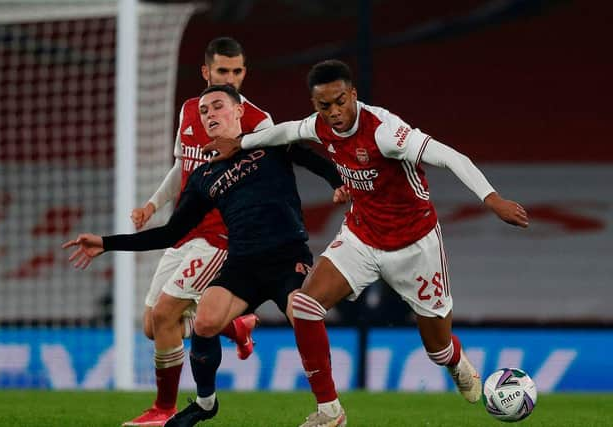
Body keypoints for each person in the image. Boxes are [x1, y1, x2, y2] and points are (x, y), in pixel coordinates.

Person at [203, 59, 530, 427]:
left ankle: (455, 361)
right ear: (316, 105)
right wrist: (240, 144)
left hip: (415, 244)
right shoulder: (320, 125)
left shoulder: (385, 132)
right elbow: (286, 132)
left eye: (340, 101)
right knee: (306, 305)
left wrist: (492, 199)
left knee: (437, 349)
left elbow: (450, 156)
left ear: (353, 94)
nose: (334, 112)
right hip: (362, 236)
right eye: (324, 106)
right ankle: (330, 411)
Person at [63, 84, 347, 427]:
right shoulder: (203, 176)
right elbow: (171, 234)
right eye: (204, 111)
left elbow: (314, 160)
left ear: (240, 110)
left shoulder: (269, 141)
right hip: (242, 264)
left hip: (287, 256)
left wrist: (339, 182)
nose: (210, 114)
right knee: (206, 320)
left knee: (300, 310)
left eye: (217, 107)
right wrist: (106, 243)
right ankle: (205, 402)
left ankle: (330, 411)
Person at [123, 37, 273, 426]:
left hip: (222, 238)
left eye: (237, 71)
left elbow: (270, 185)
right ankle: (233, 323)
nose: (231, 78)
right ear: (206, 72)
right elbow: (181, 167)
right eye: (223, 71)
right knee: (152, 326)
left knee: (167, 314)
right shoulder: (191, 110)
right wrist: (152, 206)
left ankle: (164, 409)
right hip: (184, 232)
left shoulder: (259, 122)